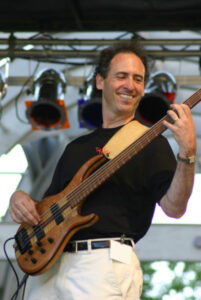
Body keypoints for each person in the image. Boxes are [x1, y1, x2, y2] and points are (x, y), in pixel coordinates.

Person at [9, 40, 196, 300]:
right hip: (51, 265)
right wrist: (20, 199)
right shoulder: (76, 148)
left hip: (102, 264)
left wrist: (187, 153)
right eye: (121, 76)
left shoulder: (152, 142)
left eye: (138, 79)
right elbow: (49, 208)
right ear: (100, 81)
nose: (130, 85)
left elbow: (175, 208)